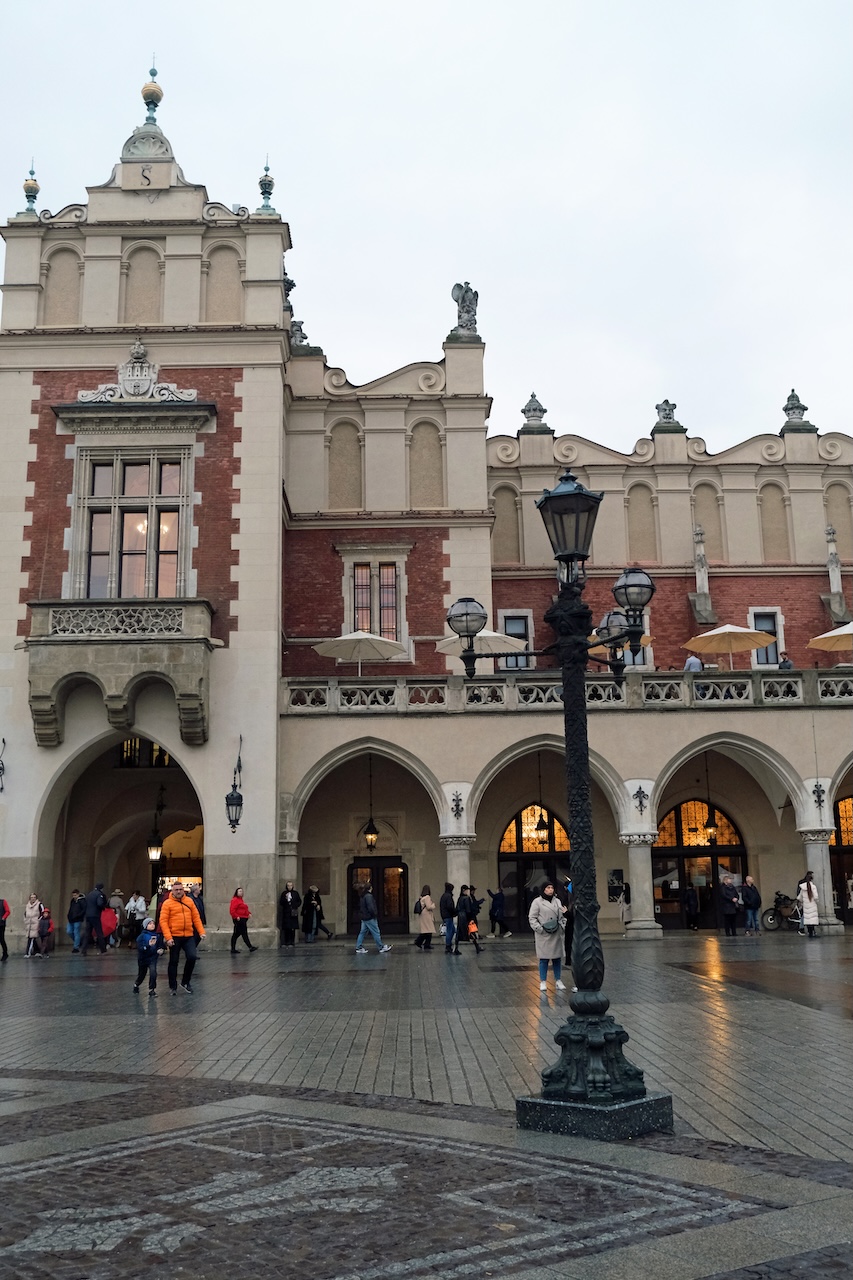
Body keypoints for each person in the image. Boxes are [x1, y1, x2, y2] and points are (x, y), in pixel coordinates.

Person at [159, 881, 205, 995]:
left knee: (192, 957)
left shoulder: (189, 901)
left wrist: (201, 931)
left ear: (183, 890)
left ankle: (185, 982)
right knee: (174, 961)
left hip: (188, 935)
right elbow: (163, 921)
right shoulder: (167, 903)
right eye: (176, 890)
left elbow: (196, 917)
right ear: (172, 891)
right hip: (174, 936)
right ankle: (173, 986)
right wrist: (168, 937)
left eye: (180, 889)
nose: (179, 891)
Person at [528, 883, 567, 991]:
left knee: (557, 958)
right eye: (548, 888)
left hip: (556, 932)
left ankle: (558, 980)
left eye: (552, 887)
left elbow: (562, 915)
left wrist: (562, 925)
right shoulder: (537, 902)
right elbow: (532, 917)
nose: (550, 890)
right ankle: (543, 981)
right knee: (544, 959)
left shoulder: (557, 901)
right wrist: (539, 929)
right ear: (543, 889)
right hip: (544, 934)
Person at [354, 882, 392, 955]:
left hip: (364, 917)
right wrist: (374, 914)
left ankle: (358, 947)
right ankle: (381, 947)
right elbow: (371, 907)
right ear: (370, 888)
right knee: (376, 932)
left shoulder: (362, 896)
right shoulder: (368, 896)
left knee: (362, 932)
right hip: (369, 917)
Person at [133, 917, 164, 995]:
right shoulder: (142, 936)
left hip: (152, 958)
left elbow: (160, 945)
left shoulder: (157, 936)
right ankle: (136, 984)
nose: (152, 925)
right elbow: (140, 948)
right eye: (150, 924)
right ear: (145, 925)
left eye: (153, 923)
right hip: (143, 958)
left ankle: (152, 989)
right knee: (142, 974)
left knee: (153, 973)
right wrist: (148, 945)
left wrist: (160, 950)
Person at [80, 883, 108, 955]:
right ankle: (103, 949)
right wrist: (103, 908)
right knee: (99, 933)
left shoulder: (89, 894)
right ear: (101, 888)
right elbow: (99, 903)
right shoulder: (99, 894)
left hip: (88, 915)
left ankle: (84, 950)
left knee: (87, 933)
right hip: (95, 915)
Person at [229, 887, 258, 954]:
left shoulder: (241, 900)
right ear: (236, 892)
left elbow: (244, 909)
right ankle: (250, 947)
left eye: (242, 891)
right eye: (239, 891)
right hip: (239, 919)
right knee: (243, 933)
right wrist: (236, 916)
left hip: (243, 918)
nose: (241, 892)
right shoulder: (235, 900)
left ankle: (233, 949)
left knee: (236, 934)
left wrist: (248, 913)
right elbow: (232, 910)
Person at [797, 870, 819, 938]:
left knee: (808, 919)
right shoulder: (813, 887)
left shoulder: (803, 887)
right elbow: (816, 897)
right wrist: (817, 901)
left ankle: (810, 933)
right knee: (812, 920)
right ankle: (813, 932)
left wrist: (803, 901)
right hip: (812, 905)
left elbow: (799, 897)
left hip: (806, 905)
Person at [279, 881, 301, 948]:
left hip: (293, 912)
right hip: (286, 913)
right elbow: (281, 903)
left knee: (292, 928)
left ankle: (292, 941)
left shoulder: (295, 893)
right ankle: (286, 941)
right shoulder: (284, 893)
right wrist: (285, 899)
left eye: (291, 885)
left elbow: (299, 901)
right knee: (286, 928)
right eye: (288, 885)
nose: (289, 887)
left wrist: (295, 905)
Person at [413, 884, 436, 950]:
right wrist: (433, 905)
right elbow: (429, 907)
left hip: (423, 915)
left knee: (426, 930)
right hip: (427, 915)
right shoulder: (427, 897)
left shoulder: (421, 898)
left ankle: (423, 943)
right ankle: (422, 943)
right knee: (428, 930)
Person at [439, 882, 457, 954]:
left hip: (445, 915)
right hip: (448, 915)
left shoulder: (443, 896)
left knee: (452, 930)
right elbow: (450, 906)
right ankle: (448, 946)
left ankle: (449, 944)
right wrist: (454, 912)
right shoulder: (448, 896)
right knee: (450, 931)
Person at [24, 893, 42, 957]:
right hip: (29, 924)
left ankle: (27, 953)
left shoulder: (39, 904)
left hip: (35, 923)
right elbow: (25, 913)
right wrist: (26, 920)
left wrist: (39, 920)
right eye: (32, 897)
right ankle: (37, 951)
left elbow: (42, 913)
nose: (33, 898)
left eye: (34, 897)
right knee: (32, 938)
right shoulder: (27, 906)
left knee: (31, 938)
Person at [0, 894, 9, 962]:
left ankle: (5, 953)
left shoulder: (3, 901)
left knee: (1, 939)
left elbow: (7, 911)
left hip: (1, 924)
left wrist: (3, 918)